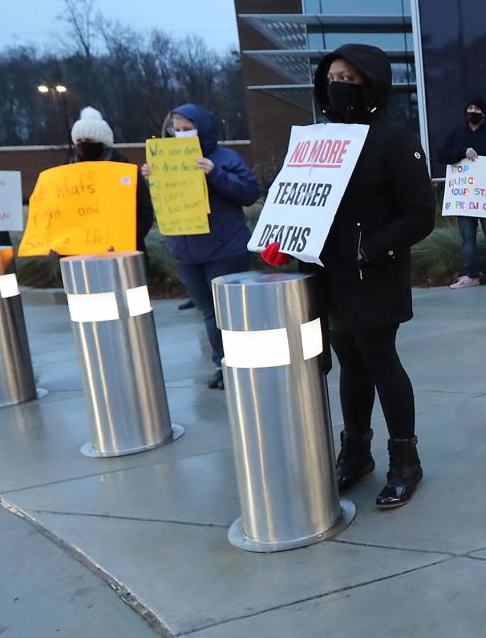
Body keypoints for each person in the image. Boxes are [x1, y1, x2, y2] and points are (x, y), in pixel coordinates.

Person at [267, 44, 435, 509]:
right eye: (332, 77)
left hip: (372, 275)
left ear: (371, 82)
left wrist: (370, 246)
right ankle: (356, 453)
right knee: (348, 365)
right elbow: (298, 194)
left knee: (381, 362)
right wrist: (284, 231)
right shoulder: (320, 139)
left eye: (349, 77)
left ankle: (405, 460)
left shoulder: (392, 136)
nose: (338, 85)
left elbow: (420, 213)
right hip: (327, 275)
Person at [140, 104, 260, 390]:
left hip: (225, 248)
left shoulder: (226, 158)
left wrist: (215, 173)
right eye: (176, 130)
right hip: (186, 250)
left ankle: (245, 362)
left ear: (202, 129)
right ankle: (223, 364)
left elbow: (249, 192)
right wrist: (153, 177)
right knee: (209, 313)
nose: (181, 135)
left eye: (187, 129)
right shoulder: (168, 159)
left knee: (230, 312)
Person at [441, 96, 486, 289]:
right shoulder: (456, 134)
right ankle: (472, 275)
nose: (472, 111)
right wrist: (462, 151)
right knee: (467, 238)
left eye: (476, 108)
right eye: (469, 108)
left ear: (483, 113)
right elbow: (443, 155)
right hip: (465, 197)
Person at [68, 107, 154, 252]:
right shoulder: (67, 172)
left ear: (102, 142)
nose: (83, 144)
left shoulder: (125, 170)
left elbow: (144, 211)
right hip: (81, 253)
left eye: (89, 140)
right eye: (79, 141)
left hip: (123, 252)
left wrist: (127, 240)